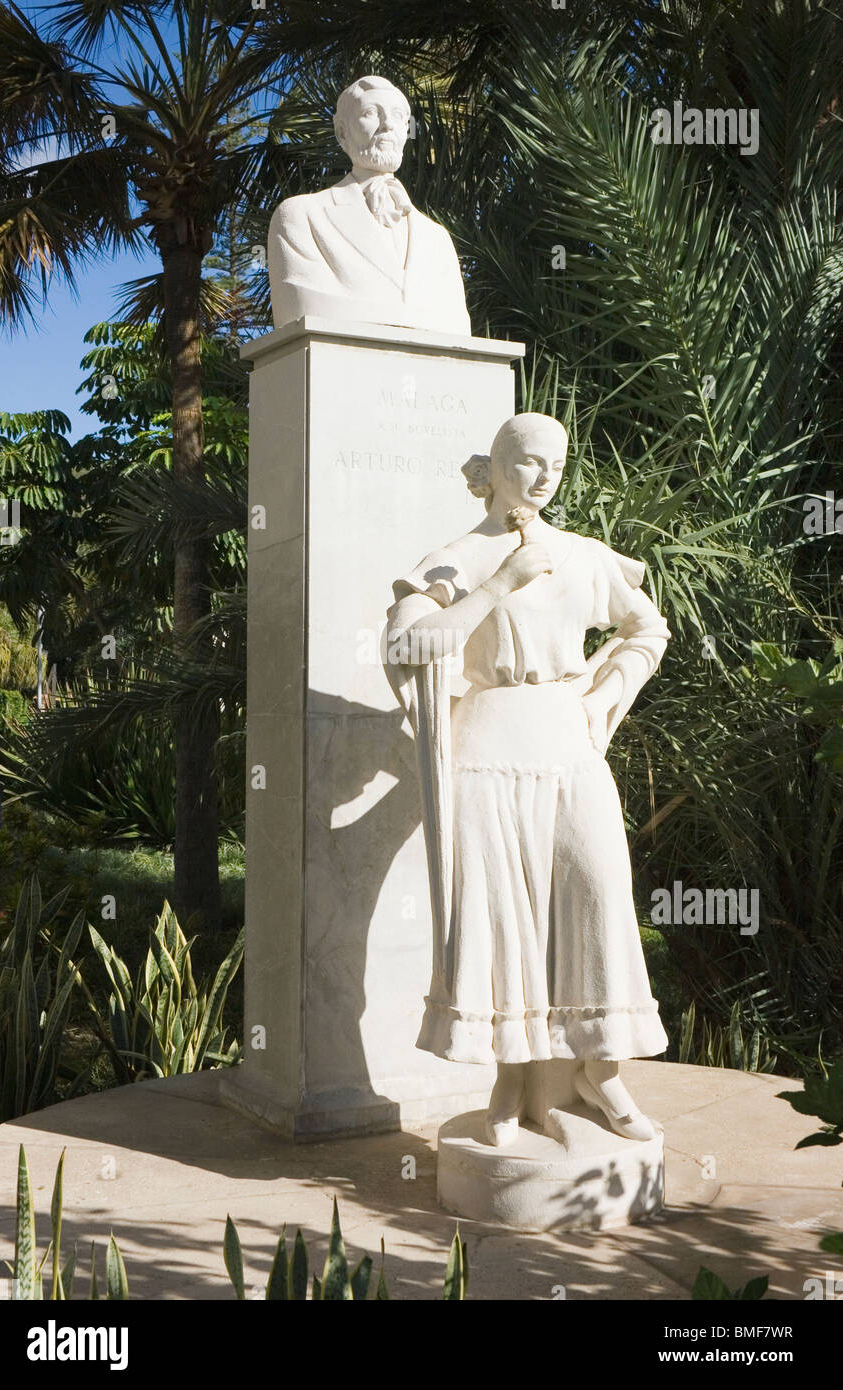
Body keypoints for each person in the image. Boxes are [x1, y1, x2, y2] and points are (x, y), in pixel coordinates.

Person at [385, 413, 670, 1146]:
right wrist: (497, 584)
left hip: (567, 740)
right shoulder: (455, 559)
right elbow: (408, 642)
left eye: (557, 465)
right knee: (502, 919)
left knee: (599, 891)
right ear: (497, 465)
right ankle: (510, 1082)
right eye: (530, 462)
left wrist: (610, 692)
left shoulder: (581, 554)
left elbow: (648, 628)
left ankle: (600, 1071)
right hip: (486, 745)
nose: (545, 477)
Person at [268, 75, 471, 334]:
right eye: (371, 112)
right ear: (342, 131)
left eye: (398, 116)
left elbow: (457, 324)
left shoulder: (437, 239)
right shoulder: (300, 217)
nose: (387, 125)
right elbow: (304, 308)